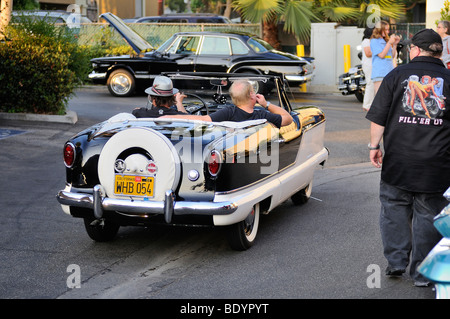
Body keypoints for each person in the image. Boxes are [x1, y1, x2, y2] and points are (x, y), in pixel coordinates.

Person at [365, 28, 450, 287]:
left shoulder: (396, 74)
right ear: (440, 51)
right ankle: (422, 274)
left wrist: (374, 146)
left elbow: (379, 117)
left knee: (394, 209)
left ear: (413, 50)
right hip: (436, 164)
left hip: (398, 162)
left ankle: (396, 262)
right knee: (427, 215)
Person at [162, 79, 293, 128]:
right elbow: (288, 118)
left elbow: (201, 119)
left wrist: (171, 116)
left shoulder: (228, 112)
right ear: (252, 96)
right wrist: (266, 104)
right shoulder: (262, 115)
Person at [370, 21, 401, 94]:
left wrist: (395, 44)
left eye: (388, 29)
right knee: (380, 97)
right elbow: (381, 55)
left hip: (389, 72)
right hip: (380, 73)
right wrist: (389, 43)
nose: (388, 31)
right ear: (379, 30)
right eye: (386, 29)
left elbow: (392, 56)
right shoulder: (374, 41)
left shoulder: (385, 41)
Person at [361, 27, 374, 111]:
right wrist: (379, 50)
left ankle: (370, 103)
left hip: (372, 65)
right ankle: (367, 104)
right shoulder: (366, 41)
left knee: (372, 84)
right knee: (370, 83)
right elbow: (368, 53)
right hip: (368, 65)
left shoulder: (371, 41)